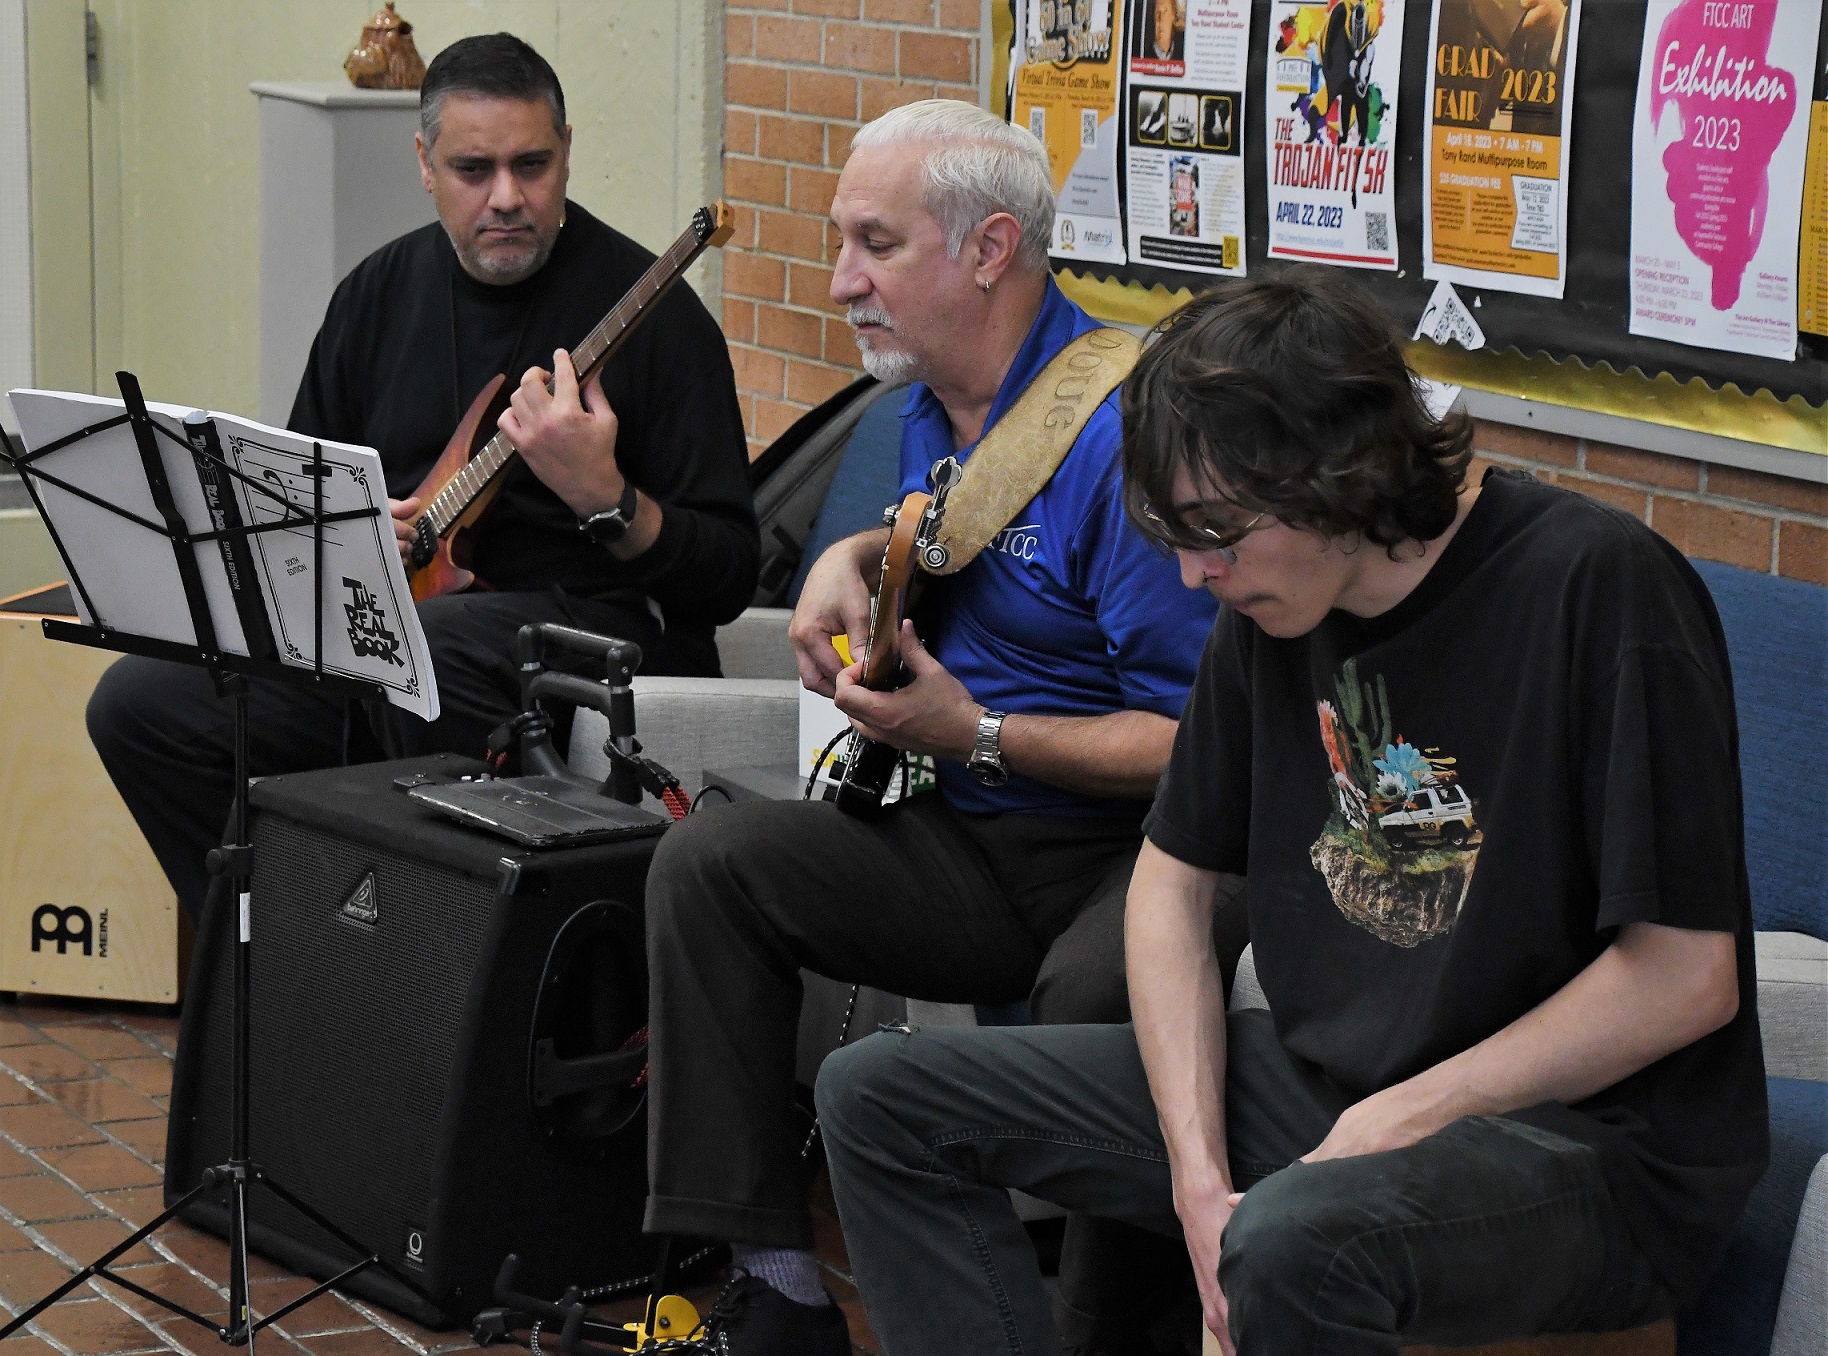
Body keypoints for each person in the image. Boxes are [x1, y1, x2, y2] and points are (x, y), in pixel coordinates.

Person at [813, 266, 1768, 1355]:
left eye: (1216, 532)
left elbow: (1685, 978)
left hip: (1580, 1151)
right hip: (1333, 1099)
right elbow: (1170, 884)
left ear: (1343, 473)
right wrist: (1195, 1173)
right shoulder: (1265, 613)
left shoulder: (1600, 587)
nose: (1189, 574)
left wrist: (1401, 1118)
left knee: (1295, 1239)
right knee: (878, 1096)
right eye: (1174, 534)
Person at [639, 100, 1222, 1355]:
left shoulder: (1124, 434)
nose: (842, 280)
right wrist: (845, 557)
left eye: (874, 244)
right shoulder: (922, 400)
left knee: (1099, 979)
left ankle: (1091, 1322)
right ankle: (774, 1288)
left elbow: (1202, 744)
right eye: (843, 242)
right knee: (709, 866)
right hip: (966, 832)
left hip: (1126, 852)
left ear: (989, 248)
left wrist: (979, 733)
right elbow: (947, 533)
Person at [86, 33, 756, 923]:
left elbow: (727, 578)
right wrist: (357, 540)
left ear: (567, 151)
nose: (507, 197)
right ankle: (272, 958)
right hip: (394, 640)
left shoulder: (657, 318)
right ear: (424, 165)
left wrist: (607, 498)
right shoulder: (376, 294)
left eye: (533, 165)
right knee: (141, 705)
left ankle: (429, 991)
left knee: (427, 649)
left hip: (580, 644)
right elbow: (298, 522)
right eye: (473, 169)